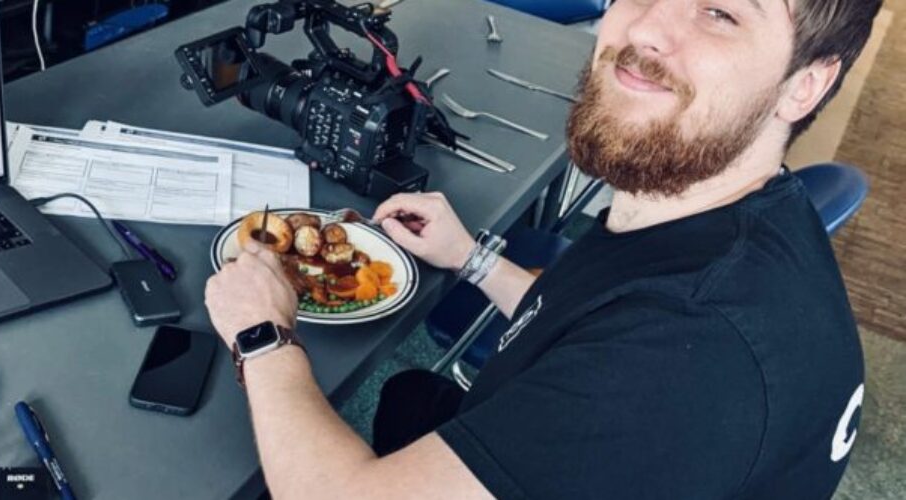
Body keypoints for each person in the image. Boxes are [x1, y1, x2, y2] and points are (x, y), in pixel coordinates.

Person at [204, 0, 881, 497]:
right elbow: (589, 322)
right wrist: (471, 258)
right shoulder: (722, 217)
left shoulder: (688, 359)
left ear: (807, 84)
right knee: (412, 395)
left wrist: (262, 335)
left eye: (720, 14)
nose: (644, 26)